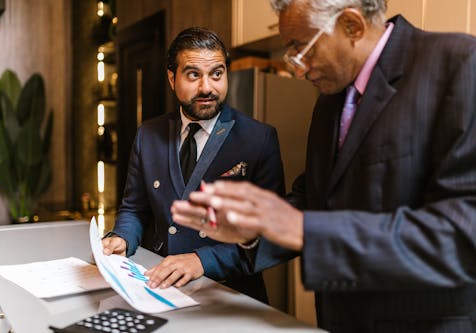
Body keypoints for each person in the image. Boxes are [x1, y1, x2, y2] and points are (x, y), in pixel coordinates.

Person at [171, 1, 476, 332]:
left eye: (301, 47)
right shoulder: (330, 100)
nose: (298, 69)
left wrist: (302, 229)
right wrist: (252, 228)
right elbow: (313, 199)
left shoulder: (459, 65)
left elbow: (462, 235)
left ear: (351, 26)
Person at [102, 27, 285, 303]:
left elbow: (271, 236)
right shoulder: (148, 135)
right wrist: (123, 237)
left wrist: (203, 260)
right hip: (159, 286)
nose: (207, 88)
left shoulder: (259, 139)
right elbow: (134, 208)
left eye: (217, 74)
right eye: (193, 75)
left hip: (231, 295)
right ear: (172, 78)